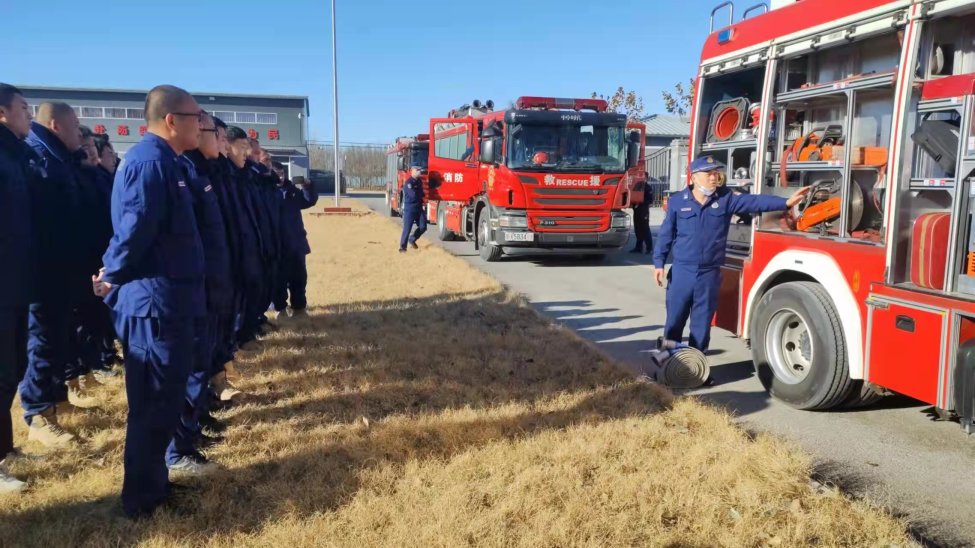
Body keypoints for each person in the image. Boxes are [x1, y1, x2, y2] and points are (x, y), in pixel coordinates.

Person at [94, 85, 206, 518]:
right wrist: (110, 276)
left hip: (170, 301)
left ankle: (153, 487)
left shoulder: (168, 162)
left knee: (165, 400)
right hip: (153, 306)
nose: (201, 124)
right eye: (195, 116)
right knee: (154, 403)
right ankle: (141, 501)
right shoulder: (148, 163)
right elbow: (134, 231)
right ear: (171, 120)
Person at [652, 156, 809, 352]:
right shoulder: (677, 202)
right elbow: (666, 234)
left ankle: (696, 369)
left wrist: (786, 202)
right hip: (683, 271)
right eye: (708, 173)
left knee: (701, 325)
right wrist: (659, 263)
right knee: (675, 320)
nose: (714, 177)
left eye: (716, 173)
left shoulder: (725, 199)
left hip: (709, 273)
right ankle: (669, 365)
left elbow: (754, 202)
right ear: (694, 177)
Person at [165, 111, 232, 474]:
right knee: (187, 368)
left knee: (200, 363)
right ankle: (178, 449)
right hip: (190, 289)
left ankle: (193, 430)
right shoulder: (171, 170)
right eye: (215, 135)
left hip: (210, 283)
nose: (220, 143)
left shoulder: (204, 172)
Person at [20, 101, 85, 448]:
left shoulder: (57, 157)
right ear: (56, 125)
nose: (80, 130)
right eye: (75, 124)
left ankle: (56, 400)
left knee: (58, 336)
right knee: (43, 339)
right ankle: (38, 414)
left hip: (63, 266)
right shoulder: (36, 156)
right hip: (44, 268)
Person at [0, 84, 37, 493]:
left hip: (15, 279)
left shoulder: (15, 157)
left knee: (9, 369)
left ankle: (5, 448)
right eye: (23, 109)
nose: (29, 116)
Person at [225, 127, 266, 353]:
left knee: (252, 289)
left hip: (251, 242)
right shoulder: (223, 176)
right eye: (243, 148)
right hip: (235, 249)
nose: (247, 152)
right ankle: (239, 336)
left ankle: (247, 331)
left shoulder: (246, 174)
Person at [271, 162, 318, 320]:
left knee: (299, 278)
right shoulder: (267, 192)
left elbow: (309, 201)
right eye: (276, 173)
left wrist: (307, 186)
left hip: (296, 243)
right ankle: (280, 309)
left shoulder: (292, 191)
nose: (280, 176)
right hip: (277, 245)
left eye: (282, 173)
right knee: (279, 280)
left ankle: (299, 308)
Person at [399, 165, 426, 252]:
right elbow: (413, 195)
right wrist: (420, 195)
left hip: (418, 208)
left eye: (419, 169)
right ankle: (402, 248)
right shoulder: (408, 183)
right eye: (417, 170)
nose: (419, 171)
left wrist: (421, 195)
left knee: (423, 227)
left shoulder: (419, 182)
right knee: (407, 229)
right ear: (412, 171)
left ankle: (412, 239)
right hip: (410, 209)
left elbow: (422, 193)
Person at [631, 183, 652, 254]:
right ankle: (638, 247)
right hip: (636, 210)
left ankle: (649, 248)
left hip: (644, 210)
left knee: (645, 229)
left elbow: (650, 200)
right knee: (637, 229)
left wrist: (640, 202)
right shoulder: (637, 186)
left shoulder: (647, 187)